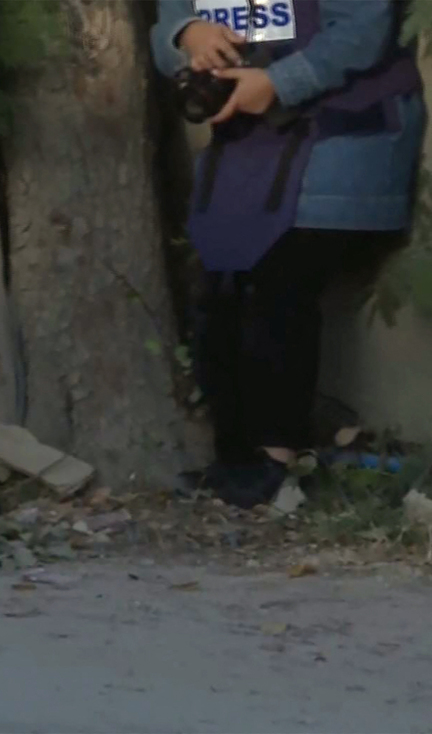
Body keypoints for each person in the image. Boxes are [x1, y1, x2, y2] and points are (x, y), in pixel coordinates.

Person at [150, 0, 426, 508]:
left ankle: (276, 462)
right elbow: (166, 22)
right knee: (218, 288)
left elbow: (363, 32)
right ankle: (235, 460)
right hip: (250, 145)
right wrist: (188, 35)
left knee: (277, 282)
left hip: (346, 134)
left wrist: (280, 83)